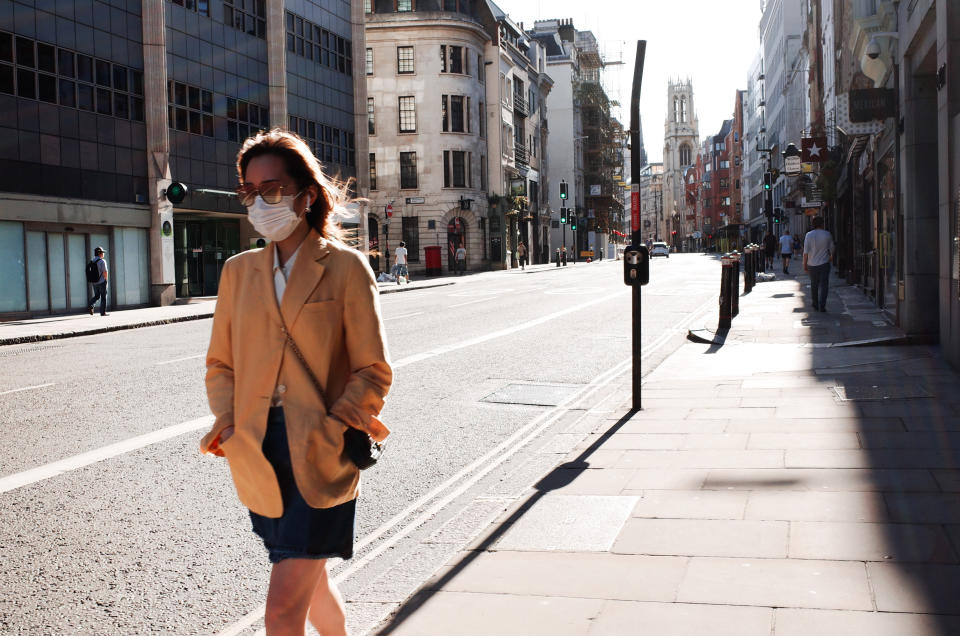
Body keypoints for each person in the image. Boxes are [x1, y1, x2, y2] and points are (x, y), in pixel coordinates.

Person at [201, 129, 392, 636]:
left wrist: (335, 427)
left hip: (320, 450)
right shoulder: (237, 272)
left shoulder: (347, 269)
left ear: (305, 195)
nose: (259, 202)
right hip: (258, 451)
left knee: (283, 608)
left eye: (271, 189)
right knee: (309, 579)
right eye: (249, 191)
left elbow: (372, 369)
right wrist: (231, 424)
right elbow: (221, 364)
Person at [803, 216, 835, 312]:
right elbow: (832, 248)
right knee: (824, 285)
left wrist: (804, 264)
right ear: (822, 224)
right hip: (824, 263)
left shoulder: (809, 235)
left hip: (811, 264)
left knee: (814, 284)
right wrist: (831, 257)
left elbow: (805, 252)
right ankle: (822, 305)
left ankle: (815, 303)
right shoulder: (827, 234)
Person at [87, 247, 108, 316]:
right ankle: (103, 312)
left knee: (97, 296)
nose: (103, 254)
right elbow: (105, 272)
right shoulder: (102, 261)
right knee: (103, 297)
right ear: (99, 253)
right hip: (102, 282)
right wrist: (106, 280)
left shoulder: (92, 261)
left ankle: (91, 304)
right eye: (102, 252)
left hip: (94, 282)